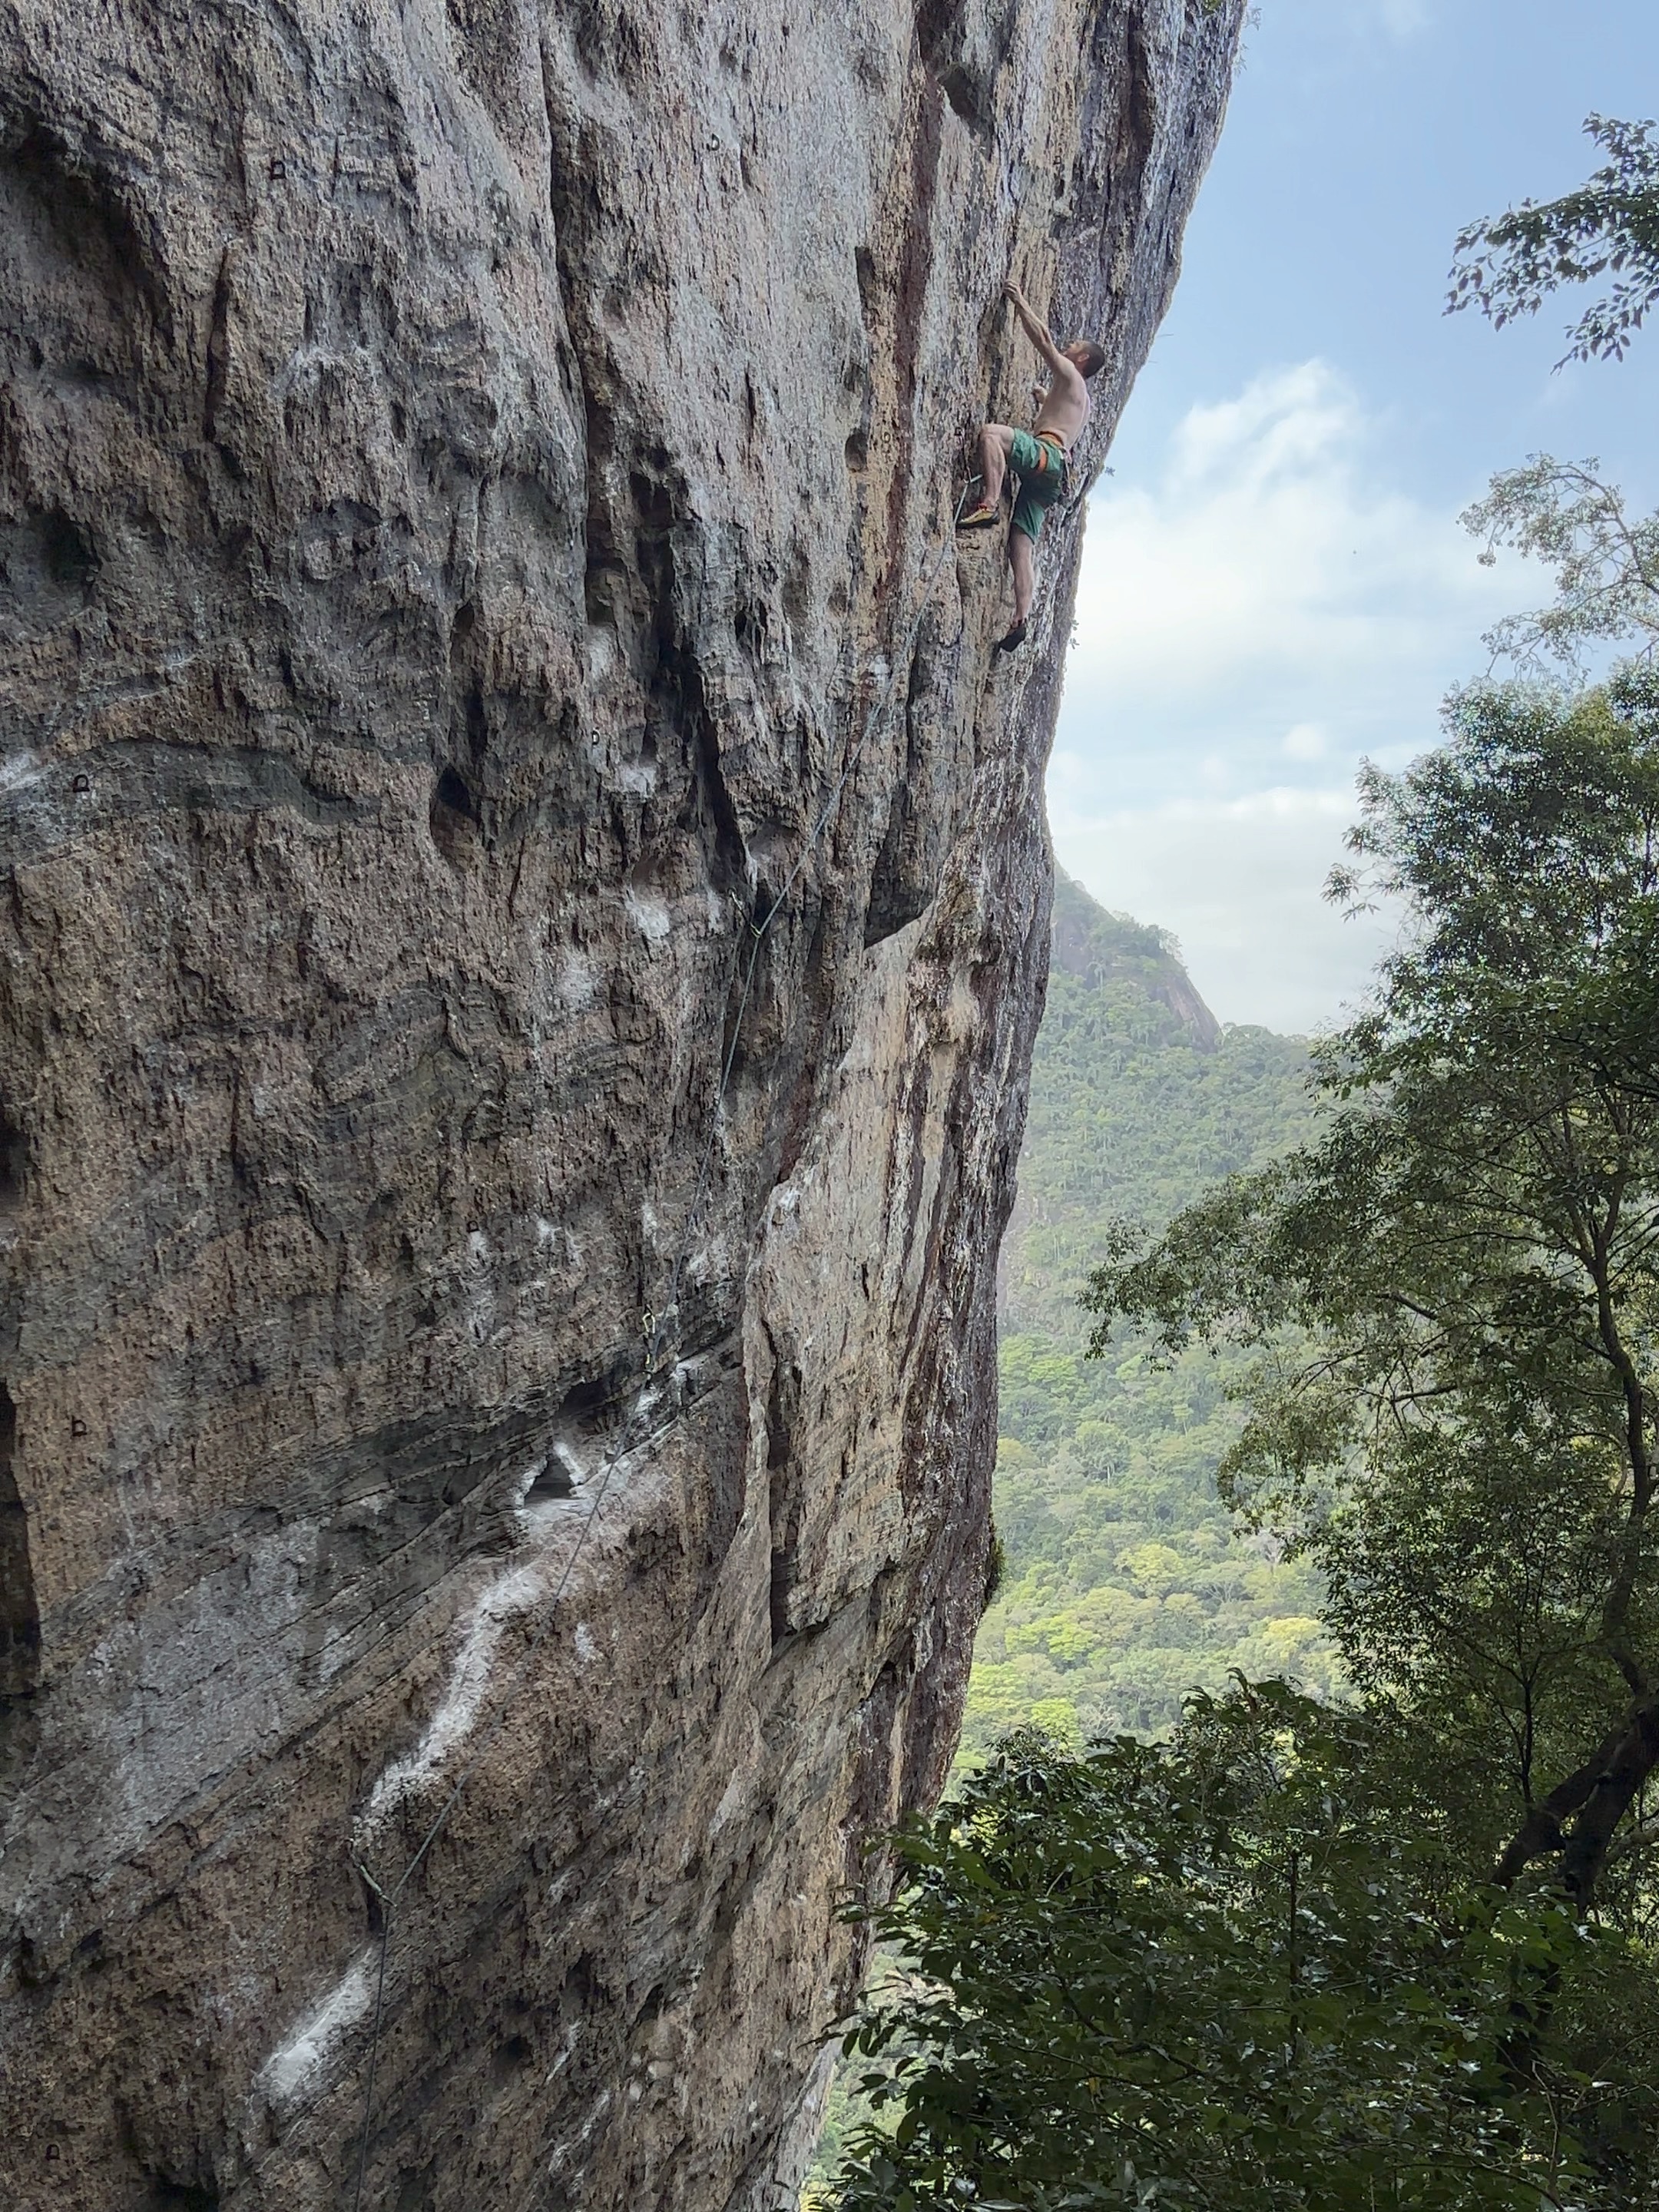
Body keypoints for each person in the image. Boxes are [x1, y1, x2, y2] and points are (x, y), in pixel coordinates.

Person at [959, 281, 1107, 654]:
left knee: (991, 435)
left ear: (1083, 361)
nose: (1069, 346)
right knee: (1021, 545)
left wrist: (1021, 301)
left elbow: (1042, 339)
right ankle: (1022, 615)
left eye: (1075, 346)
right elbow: (1059, 416)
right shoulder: (1081, 401)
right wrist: (1044, 399)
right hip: (1055, 477)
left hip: (1047, 457)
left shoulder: (1072, 376)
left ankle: (989, 504)